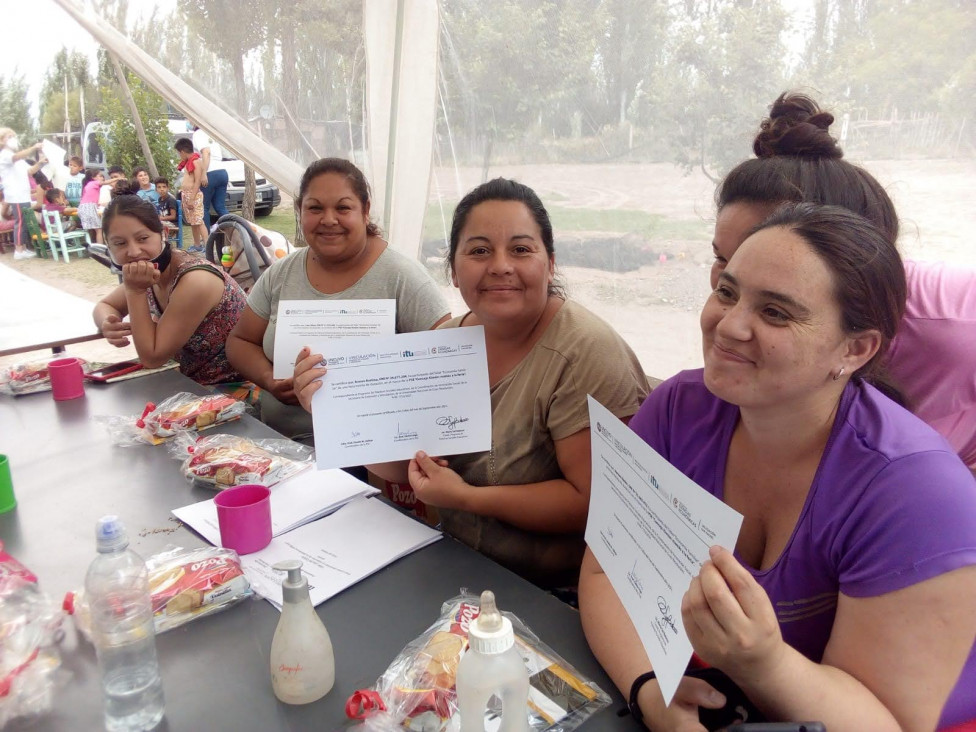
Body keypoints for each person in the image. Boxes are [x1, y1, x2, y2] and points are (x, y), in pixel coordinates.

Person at [579, 202, 976, 731]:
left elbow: (891, 724)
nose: (729, 325)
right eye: (728, 292)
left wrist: (764, 662)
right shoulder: (678, 410)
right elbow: (606, 569)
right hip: (719, 694)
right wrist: (650, 688)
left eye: (775, 313)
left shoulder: (917, 494)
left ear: (855, 349)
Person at [295, 178, 649, 588]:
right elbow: (406, 464)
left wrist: (466, 498)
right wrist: (332, 407)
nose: (500, 265)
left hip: (554, 594)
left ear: (550, 263)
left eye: (520, 249)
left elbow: (593, 504)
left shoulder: (585, 353)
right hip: (457, 566)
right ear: (453, 270)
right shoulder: (446, 341)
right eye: (479, 250)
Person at [710, 91, 976, 473]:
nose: (728, 321)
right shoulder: (695, 398)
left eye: (774, 303)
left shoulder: (953, 324)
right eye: (723, 262)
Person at [226, 157, 451, 443]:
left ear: (365, 210)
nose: (328, 220)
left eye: (343, 208)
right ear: (300, 211)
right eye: (315, 208)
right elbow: (240, 341)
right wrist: (269, 379)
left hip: (368, 455)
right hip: (276, 442)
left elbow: (448, 362)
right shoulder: (283, 273)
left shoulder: (401, 276)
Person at [92, 193, 246, 385]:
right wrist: (107, 323)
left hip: (230, 389)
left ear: (163, 233)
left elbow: (153, 358)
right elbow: (105, 305)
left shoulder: (196, 279)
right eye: (120, 243)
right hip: (183, 383)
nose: (133, 252)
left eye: (143, 238)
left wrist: (135, 291)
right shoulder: (149, 271)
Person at [0, 128, 44, 259]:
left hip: (23, 194)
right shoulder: (5, 155)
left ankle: (23, 247)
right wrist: (34, 147)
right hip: (16, 194)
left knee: (25, 221)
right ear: (2, 140)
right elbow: (17, 156)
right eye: (9, 136)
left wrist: (40, 163)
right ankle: (18, 250)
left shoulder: (18, 159)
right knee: (20, 221)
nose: (13, 138)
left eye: (13, 136)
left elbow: (30, 171)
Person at [191, 125, 228, 230]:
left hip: (210, 172)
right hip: (222, 171)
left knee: (204, 207)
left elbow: (206, 152)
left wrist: (203, 173)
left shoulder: (198, 133)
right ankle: (233, 230)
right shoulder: (211, 132)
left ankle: (207, 238)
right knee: (220, 207)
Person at [174, 138, 207, 251]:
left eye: (179, 153)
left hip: (194, 194)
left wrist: (192, 198)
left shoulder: (196, 161)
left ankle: (207, 244)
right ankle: (197, 244)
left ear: (182, 151)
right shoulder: (188, 162)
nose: (179, 155)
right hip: (186, 194)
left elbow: (197, 181)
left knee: (199, 221)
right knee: (192, 222)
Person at [77, 168, 110, 244]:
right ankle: (100, 248)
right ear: (93, 177)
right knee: (99, 229)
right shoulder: (94, 183)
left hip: (83, 208)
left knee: (92, 229)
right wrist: (117, 179)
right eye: (100, 176)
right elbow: (107, 182)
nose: (102, 178)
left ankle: (92, 245)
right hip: (89, 208)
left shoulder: (87, 186)